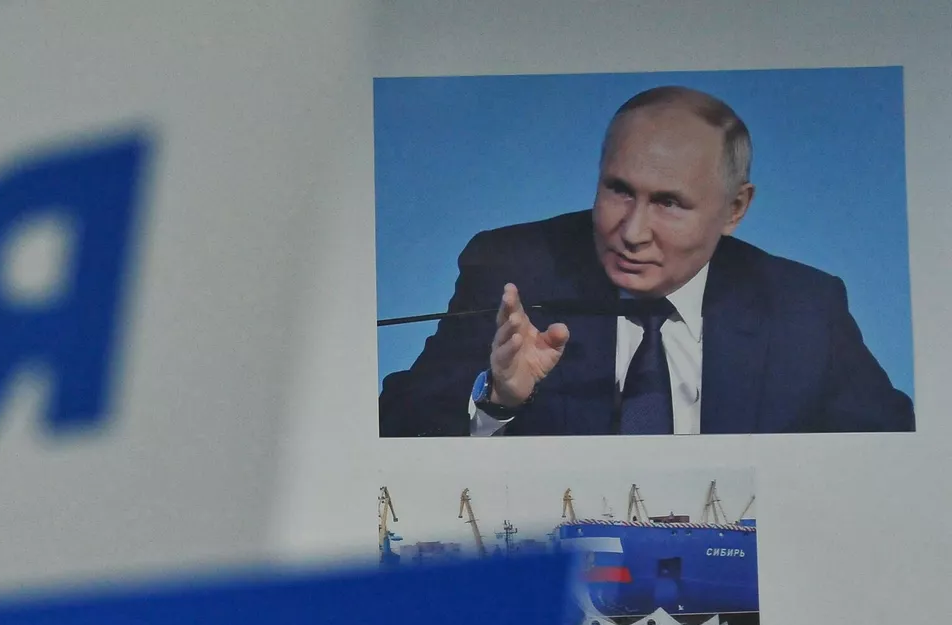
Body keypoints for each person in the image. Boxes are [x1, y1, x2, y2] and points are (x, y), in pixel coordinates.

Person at [379, 85, 914, 436]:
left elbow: (894, 460)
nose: (632, 233)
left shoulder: (803, 307)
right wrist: (497, 399)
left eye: (669, 203)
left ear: (735, 208)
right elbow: (398, 425)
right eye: (618, 190)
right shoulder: (513, 269)